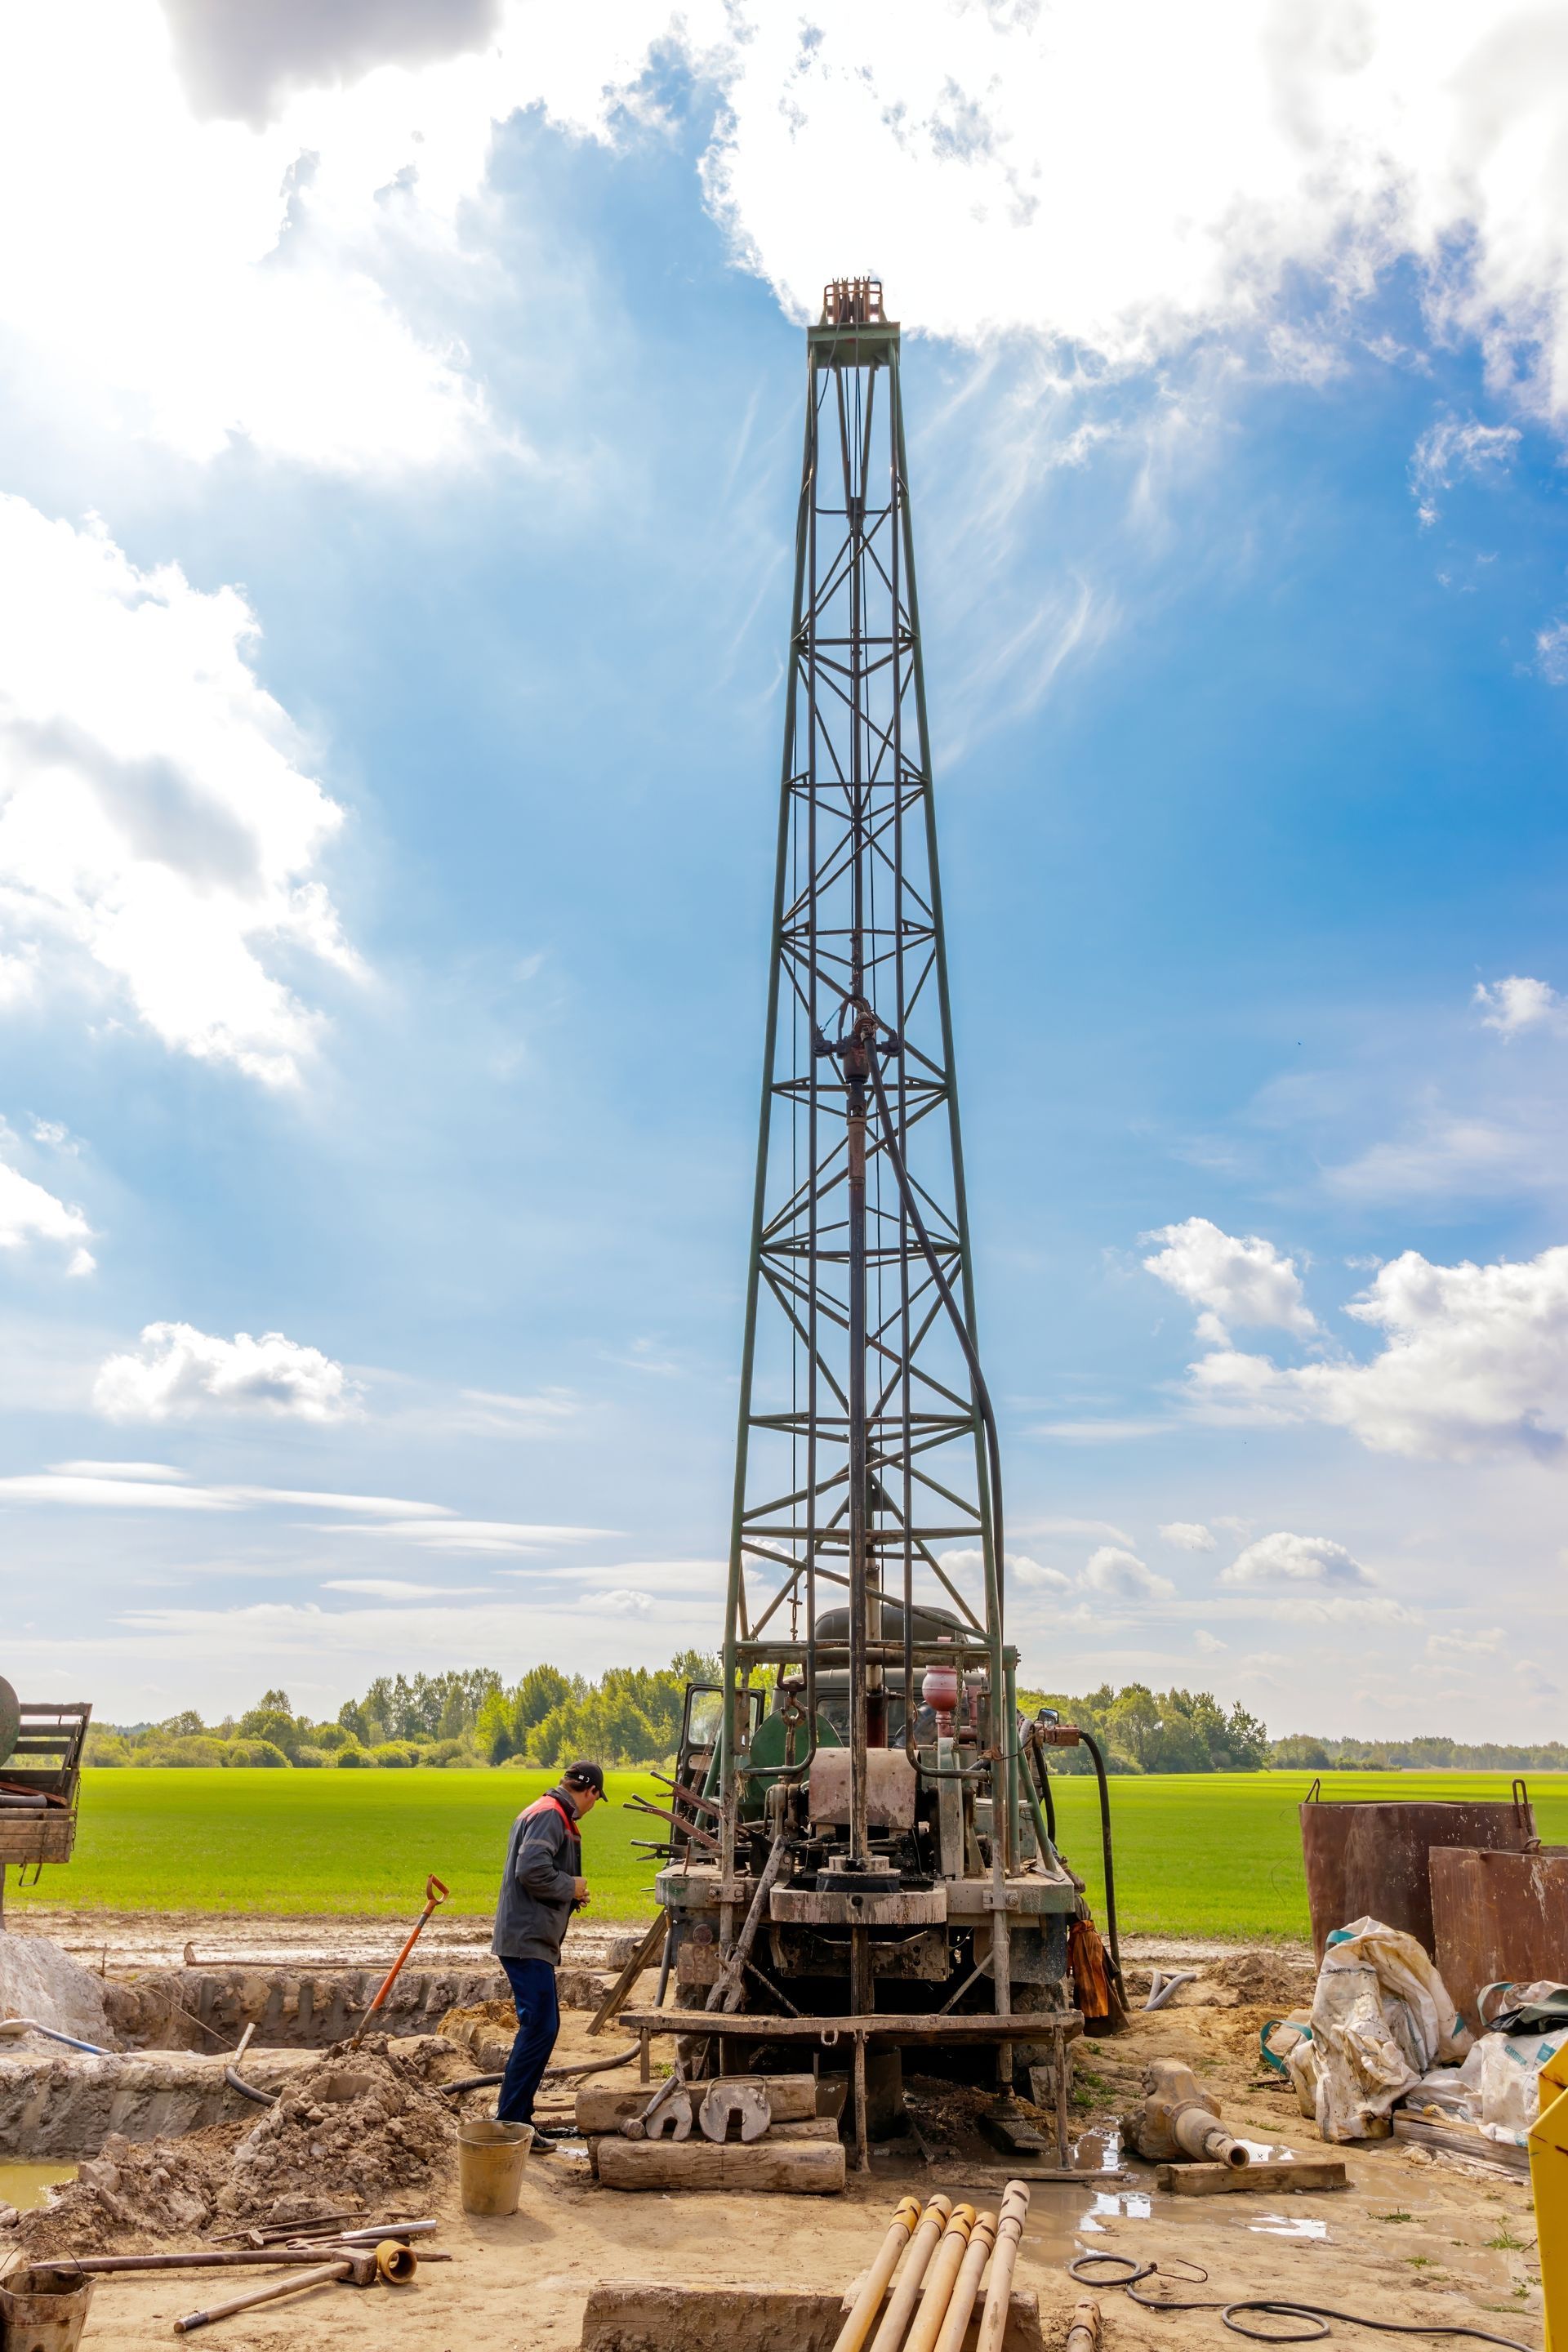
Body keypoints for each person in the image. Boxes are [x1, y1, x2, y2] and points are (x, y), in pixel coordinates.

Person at [492, 1759, 604, 2138]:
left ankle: (518, 2116)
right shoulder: (552, 1815)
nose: (593, 1807)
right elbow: (532, 1871)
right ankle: (511, 2121)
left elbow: (537, 1871)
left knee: (542, 2026)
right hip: (527, 1938)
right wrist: (569, 1887)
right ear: (589, 1792)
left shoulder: (544, 1809)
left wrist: (569, 1895)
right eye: (596, 1799)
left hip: (527, 1935)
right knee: (540, 2027)